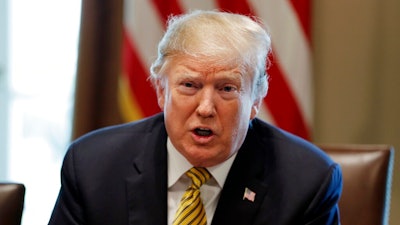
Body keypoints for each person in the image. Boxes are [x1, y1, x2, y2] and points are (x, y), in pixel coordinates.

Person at [48, 10, 342, 225]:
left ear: (255, 100)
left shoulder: (307, 182)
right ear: (162, 91)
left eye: (227, 89)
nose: (205, 108)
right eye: (189, 85)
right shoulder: (92, 167)